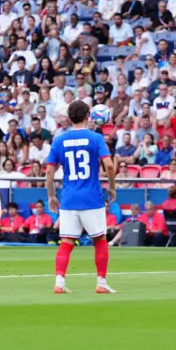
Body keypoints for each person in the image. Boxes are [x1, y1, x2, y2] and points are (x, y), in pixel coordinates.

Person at [45, 100, 117, 294]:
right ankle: (101, 283)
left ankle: (59, 282)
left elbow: (49, 172)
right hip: (92, 197)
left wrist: (51, 196)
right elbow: (109, 165)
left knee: (67, 241)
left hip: (68, 198)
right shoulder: (95, 138)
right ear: (88, 116)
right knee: (100, 239)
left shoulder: (59, 140)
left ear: (69, 117)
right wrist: (111, 187)